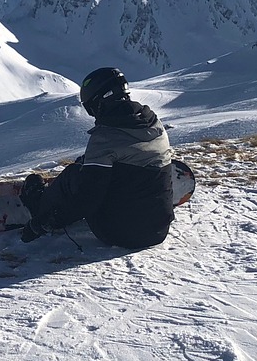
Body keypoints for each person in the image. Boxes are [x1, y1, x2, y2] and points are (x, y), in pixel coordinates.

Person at [19, 67, 175, 249]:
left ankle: (40, 204)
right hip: (159, 230)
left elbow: (87, 199)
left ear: (97, 102)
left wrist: (41, 224)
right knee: (97, 167)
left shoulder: (105, 138)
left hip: (120, 235)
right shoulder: (153, 123)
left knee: (74, 175)